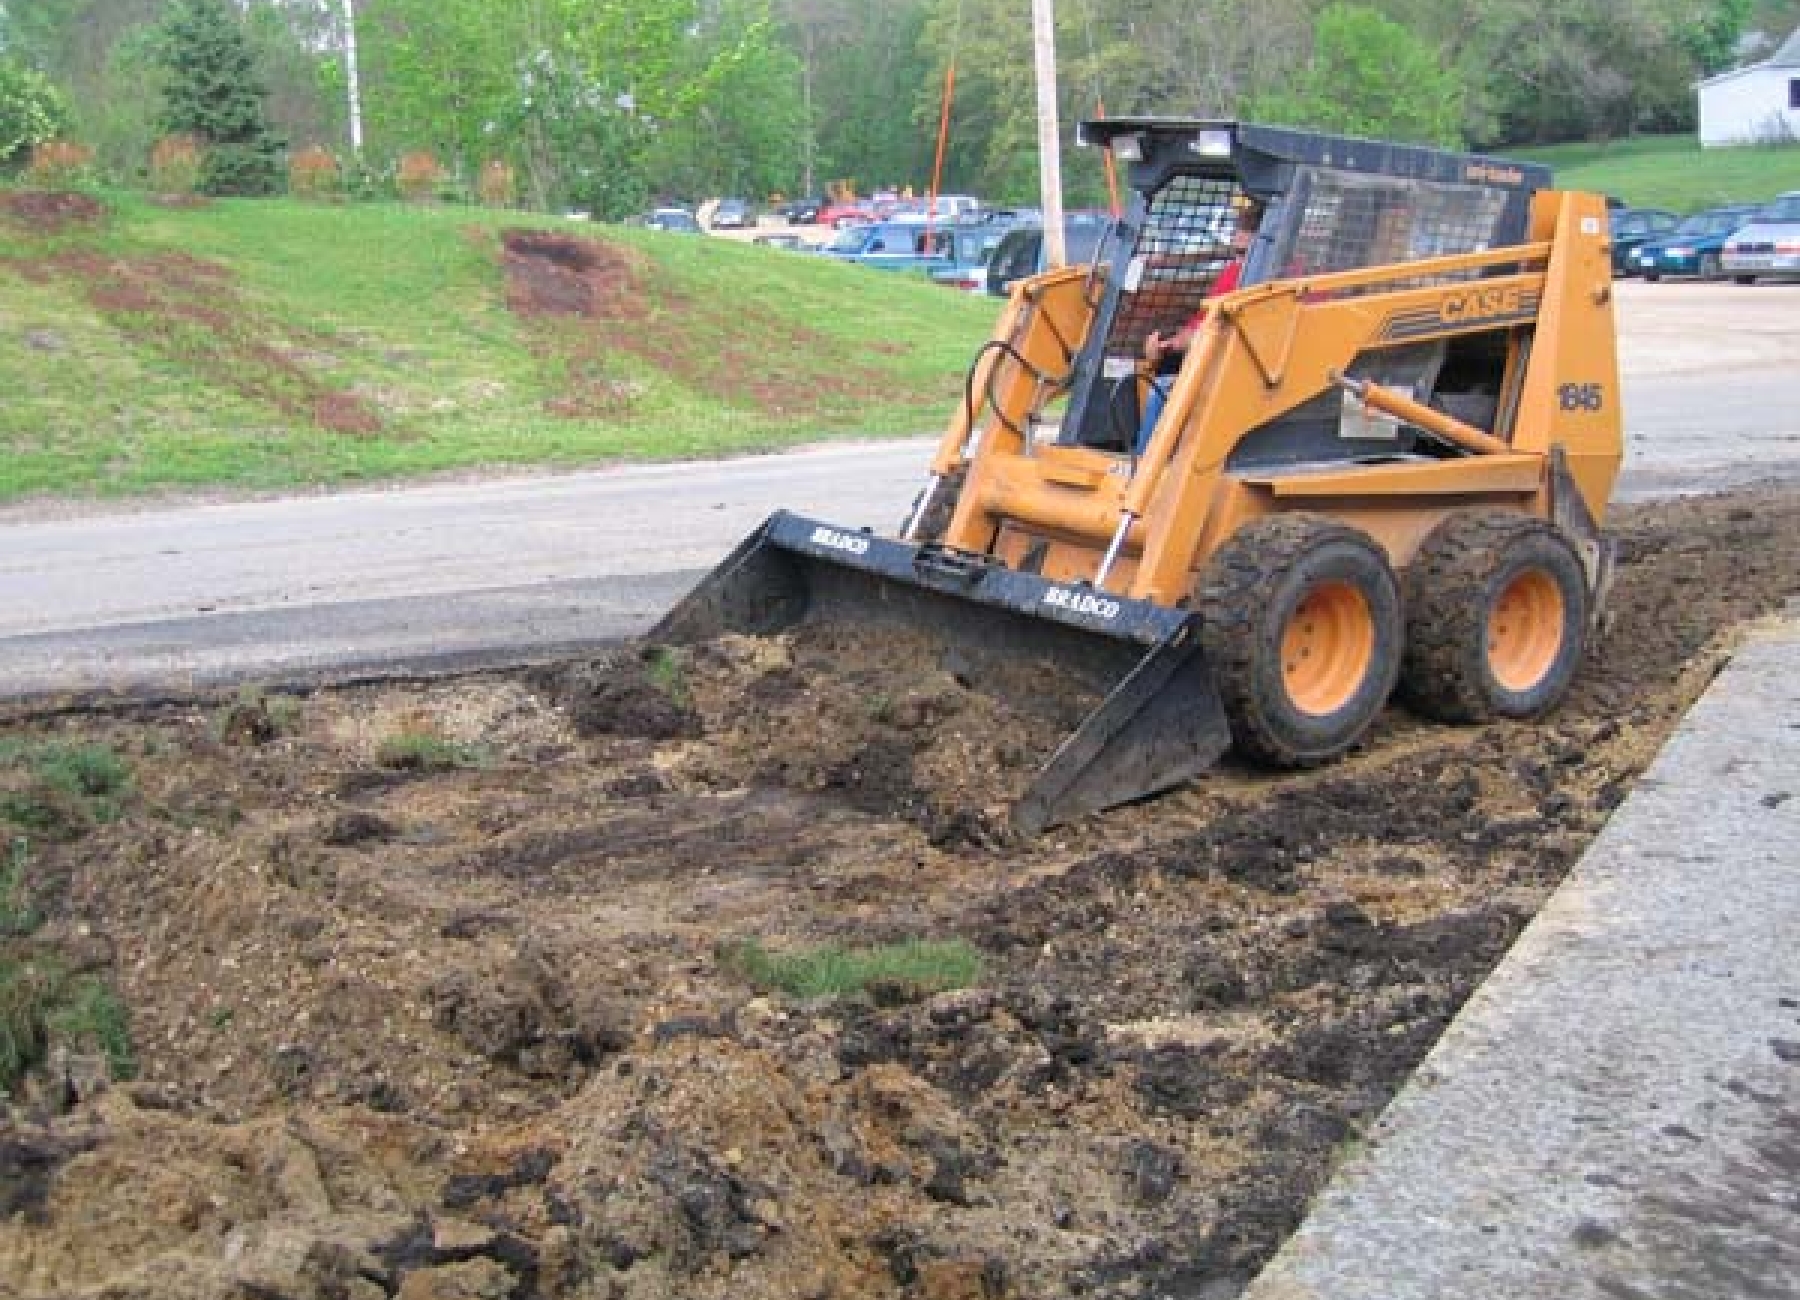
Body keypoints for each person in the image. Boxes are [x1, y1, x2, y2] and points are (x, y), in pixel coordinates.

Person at [1135, 199, 1264, 453]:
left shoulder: (1240, 276)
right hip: (1249, 371)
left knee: (1163, 390)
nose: (1238, 260)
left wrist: (1165, 345)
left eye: (1241, 253)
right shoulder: (1299, 275)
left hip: (1236, 375)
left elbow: (1199, 333)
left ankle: (1142, 467)